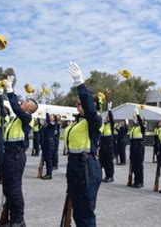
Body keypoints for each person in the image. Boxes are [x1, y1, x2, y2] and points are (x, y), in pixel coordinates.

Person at [64, 62, 102, 226]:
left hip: (87, 167)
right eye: (77, 102)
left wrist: (80, 84)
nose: (78, 103)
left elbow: (90, 109)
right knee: (76, 213)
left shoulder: (94, 120)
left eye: (82, 102)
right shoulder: (76, 122)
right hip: (74, 166)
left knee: (85, 213)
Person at [1, 75, 38, 226]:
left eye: (26, 102)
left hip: (16, 156)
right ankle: (11, 217)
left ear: (30, 108)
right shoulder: (17, 118)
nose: (23, 102)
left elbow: (15, 107)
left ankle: (19, 220)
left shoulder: (27, 117)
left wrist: (10, 90)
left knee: (15, 189)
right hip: (8, 154)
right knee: (7, 188)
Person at [128, 107, 147, 188]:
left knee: (139, 164)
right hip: (133, 145)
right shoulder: (134, 127)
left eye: (139, 119)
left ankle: (140, 182)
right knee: (134, 164)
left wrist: (138, 115)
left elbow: (141, 124)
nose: (136, 119)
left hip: (139, 145)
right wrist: (135, 117)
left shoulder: (142, 127)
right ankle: (136, 181)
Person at [100, 102, 115, 182]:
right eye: (106, 117)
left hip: (109, 145)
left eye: (108, 117)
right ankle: (105, 175)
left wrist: (109, 110)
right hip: (103, 144)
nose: (107, 118)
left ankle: (110, 176)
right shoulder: (104, 125)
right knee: (103, 161)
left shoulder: (111, 125)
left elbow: (111, 118)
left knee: (109, 162)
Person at [41, 109, 56, 180]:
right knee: (46, 159)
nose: (50, 117)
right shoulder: (48, 125)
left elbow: (48, 121)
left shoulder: (53, 123)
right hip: (46, 142)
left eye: (52, 116)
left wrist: (47, 113)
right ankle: (47, 173)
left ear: (54, 119)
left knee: (48, 159)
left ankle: (49, 174)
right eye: (50, 116)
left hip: (50, 143)